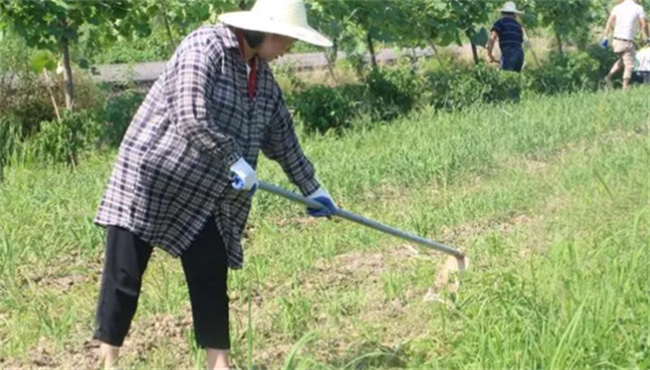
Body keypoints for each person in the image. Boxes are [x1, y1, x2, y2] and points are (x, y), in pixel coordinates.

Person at [91, 0, 336, 369]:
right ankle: (106, 361)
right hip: (151, 177)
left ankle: (218, 365)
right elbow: (190, 114)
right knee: (124, 274)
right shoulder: (205, 46)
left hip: (204, 193)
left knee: (210, 273)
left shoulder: (263, 81)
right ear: (266, 31)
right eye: (287, 40)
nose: (289, 49)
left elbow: (283, 139)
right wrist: (232, 158)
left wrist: (311, 188)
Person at [601, 0, 650, 90]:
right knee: (629, 65)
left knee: (622, 61)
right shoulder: (638, 8)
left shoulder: (617, 7)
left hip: (616, 41)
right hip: (626, 41)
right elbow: (644, 25)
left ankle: (608, 77)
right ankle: (625, 87)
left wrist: (605, 37)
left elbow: (609, 22)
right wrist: (648, 37)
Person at [487, 2, 525, 73]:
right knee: (515, 79)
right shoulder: (518, 26)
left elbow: (492, 38)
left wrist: (489, 54)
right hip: (520, 54)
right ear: (514, 14)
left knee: (506, 78)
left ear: (502, 13)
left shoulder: (500, 22)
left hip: (508, 54)